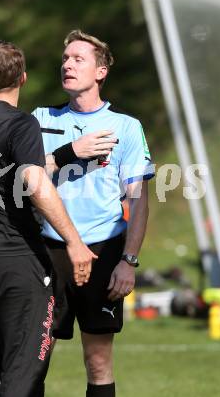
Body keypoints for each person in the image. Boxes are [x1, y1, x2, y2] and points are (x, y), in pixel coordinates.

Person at [0, 40, 97, 397]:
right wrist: (75, 242)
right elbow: (35, 182)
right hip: (18, 260)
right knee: (22, 376)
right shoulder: (23, 124)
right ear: (24, 79)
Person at [31, 30, 154, 397]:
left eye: (78, 59)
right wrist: (72, 150)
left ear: (100, 72)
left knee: (98, 361)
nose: (67, 64)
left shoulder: (126, 128)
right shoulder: (40, 118)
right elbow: (22, 180)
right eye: (65, 59)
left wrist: (128, 261)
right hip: (49, 252)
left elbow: (139, 199)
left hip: (104, 252)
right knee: (33, 359)